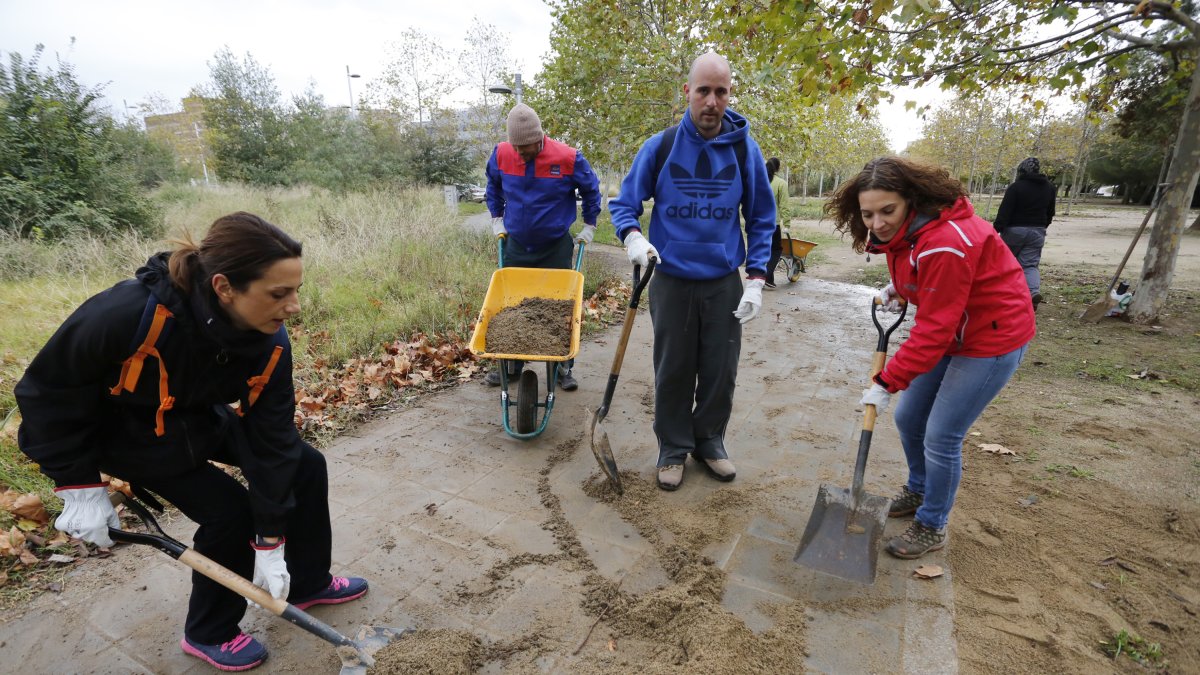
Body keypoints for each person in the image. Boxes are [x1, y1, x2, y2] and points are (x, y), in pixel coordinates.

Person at [15, 213, 367, 671]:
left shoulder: (269, 342)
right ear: (224, 288)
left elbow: (272, 438)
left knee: (304, 464)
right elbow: (46, 392)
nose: (294, 305)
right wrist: (77, 484)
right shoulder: (126, 314)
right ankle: (209, 631)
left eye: (296, 289)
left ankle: (306, 580)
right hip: (127, 436)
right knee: (230, 514)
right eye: (279, 293)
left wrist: (271, 541)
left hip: (197, 419)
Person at [825, 157, 1035, 559]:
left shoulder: (946, 242)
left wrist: (886, 382)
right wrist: (901, 286)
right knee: (908, 418)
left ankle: (932, 523)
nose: (878, 223)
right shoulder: (908, 232)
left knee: (942, 435)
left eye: (887, 210)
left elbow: (935, 329)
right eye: (868, 214)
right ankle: (919, 488)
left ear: (911, 200)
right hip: (957, 331)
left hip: (992, 340)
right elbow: (922, 270)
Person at [608, 51, 776, 491]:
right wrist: (633, 238)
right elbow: (624, 203)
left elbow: (761, 216)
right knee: (674, 368)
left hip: (723, 282)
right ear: (687, 92)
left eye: (721, 91)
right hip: (671, 279)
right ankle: (673, 447)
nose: (711, 101)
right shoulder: (661, 146)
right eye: (703, 90)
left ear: (729, 94)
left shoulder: (744, 150)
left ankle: (710, 442)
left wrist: (756, 279)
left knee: (721, 370)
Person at [484, 103, 602, 391]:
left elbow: (591, 189)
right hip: (517, 243)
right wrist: (496, 218)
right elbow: (493, 185)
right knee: (512, 305)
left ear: (540, 138)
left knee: (559, 305)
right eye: (517, 148)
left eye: (527, 147)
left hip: (554, 245)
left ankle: (562, 365)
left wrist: (589, 225)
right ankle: (511, 364)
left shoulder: (568, 157)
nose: (521, 153)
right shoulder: (502, 154)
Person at [993, 157, 1056, 310]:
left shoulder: (1016, 187)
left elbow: (1005, 211)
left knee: (1004, 263)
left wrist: (996, 230)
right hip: (1038, 230)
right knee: (1029, 265)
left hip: (1014, 230)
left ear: (1021, 171)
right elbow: (1050, 211)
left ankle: (1000, 295)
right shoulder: (1050, 187)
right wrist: (1043, 225)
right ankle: (1033, 292)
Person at [764, 157, 791, 288]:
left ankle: (761, 277)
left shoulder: (758, 181)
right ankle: (767, 277)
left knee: (762, 249)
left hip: (756, 223)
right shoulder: (781, 183)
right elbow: (784, 206)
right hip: (772, 224)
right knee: (776, 249)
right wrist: (787, 224)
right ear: (777, 168)